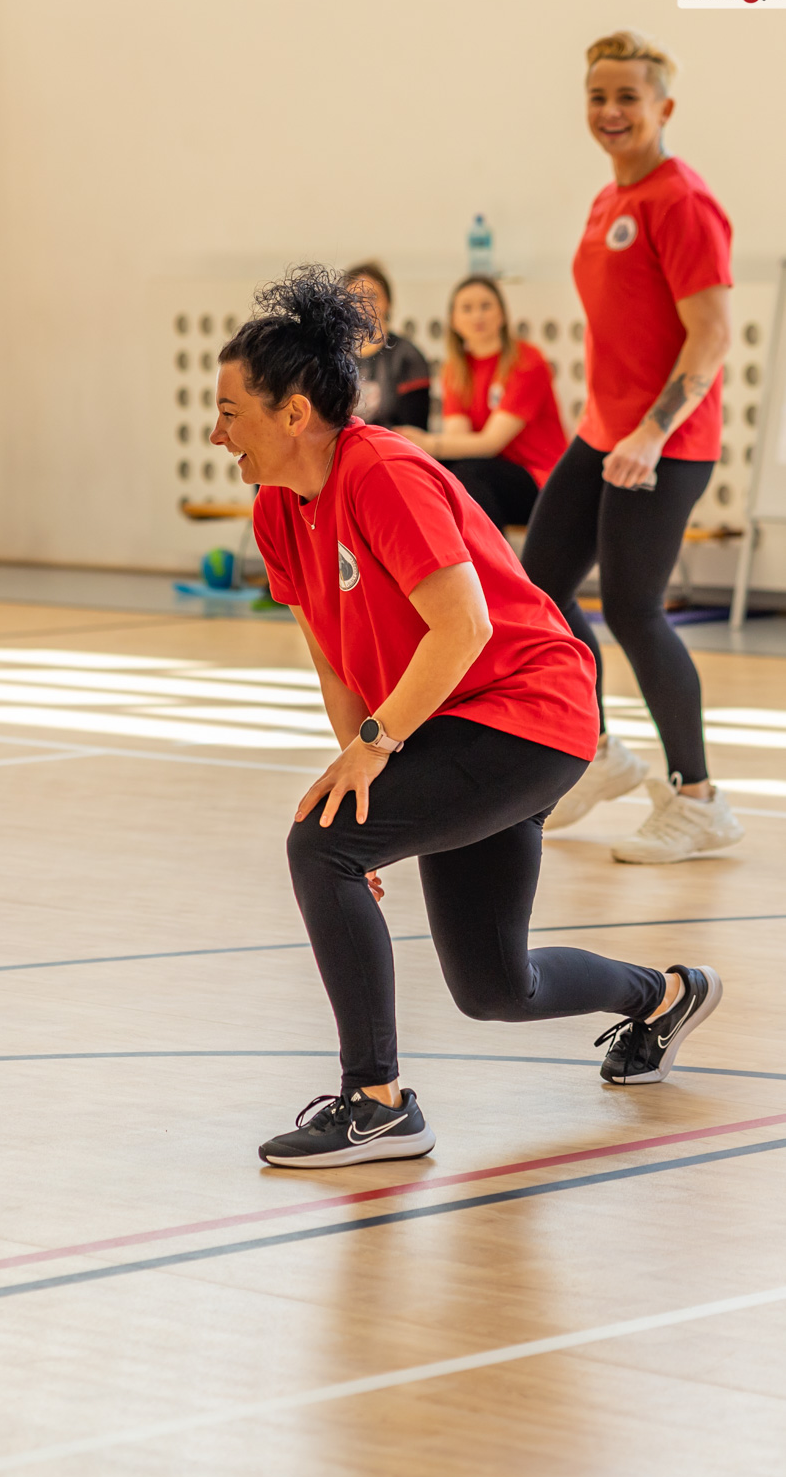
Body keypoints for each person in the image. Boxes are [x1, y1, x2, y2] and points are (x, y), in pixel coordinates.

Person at [210, 266, 722, 1168]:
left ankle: (376, 1105)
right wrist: (359, 778)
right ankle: (664, 995)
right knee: (493, 986)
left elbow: (466, 627)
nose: (216, 434)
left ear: (293, 413)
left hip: (529, 712)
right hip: (453, 723)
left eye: (228, 411)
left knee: (316, 847)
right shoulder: (276, 513)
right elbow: (335, 661)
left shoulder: (382, 472)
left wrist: (373, 760)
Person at [521, 32, 741, 864]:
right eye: (596, 96)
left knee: (632, 609)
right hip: (603, 430)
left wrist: (653, 432)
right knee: (540, 587)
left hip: (665, 440)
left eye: (626, 97)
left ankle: (699, 799)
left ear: (663, 107)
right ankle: (596, 751)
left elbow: (711, 335)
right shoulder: (608, 199)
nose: (609, 112)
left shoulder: (680, 201)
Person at [396, 275, 567, 535]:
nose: (477, 315)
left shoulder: (526, 361)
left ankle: (490, 559)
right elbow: (459, 439)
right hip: (491, 477)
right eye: (467, 308)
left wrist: (426, 444)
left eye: (486, 306)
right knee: (440, 475)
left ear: (502, 314)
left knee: (469, 474)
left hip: (543, 482)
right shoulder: (456, 369)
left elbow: (490, 443)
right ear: (454, 321)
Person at [343, 262, 431, 430]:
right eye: (355, 298)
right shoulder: (335, 355)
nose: (363, 304)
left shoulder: (407, 355)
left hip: (391, 445)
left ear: (388, 302)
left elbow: (414, 430)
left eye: (372, 297)